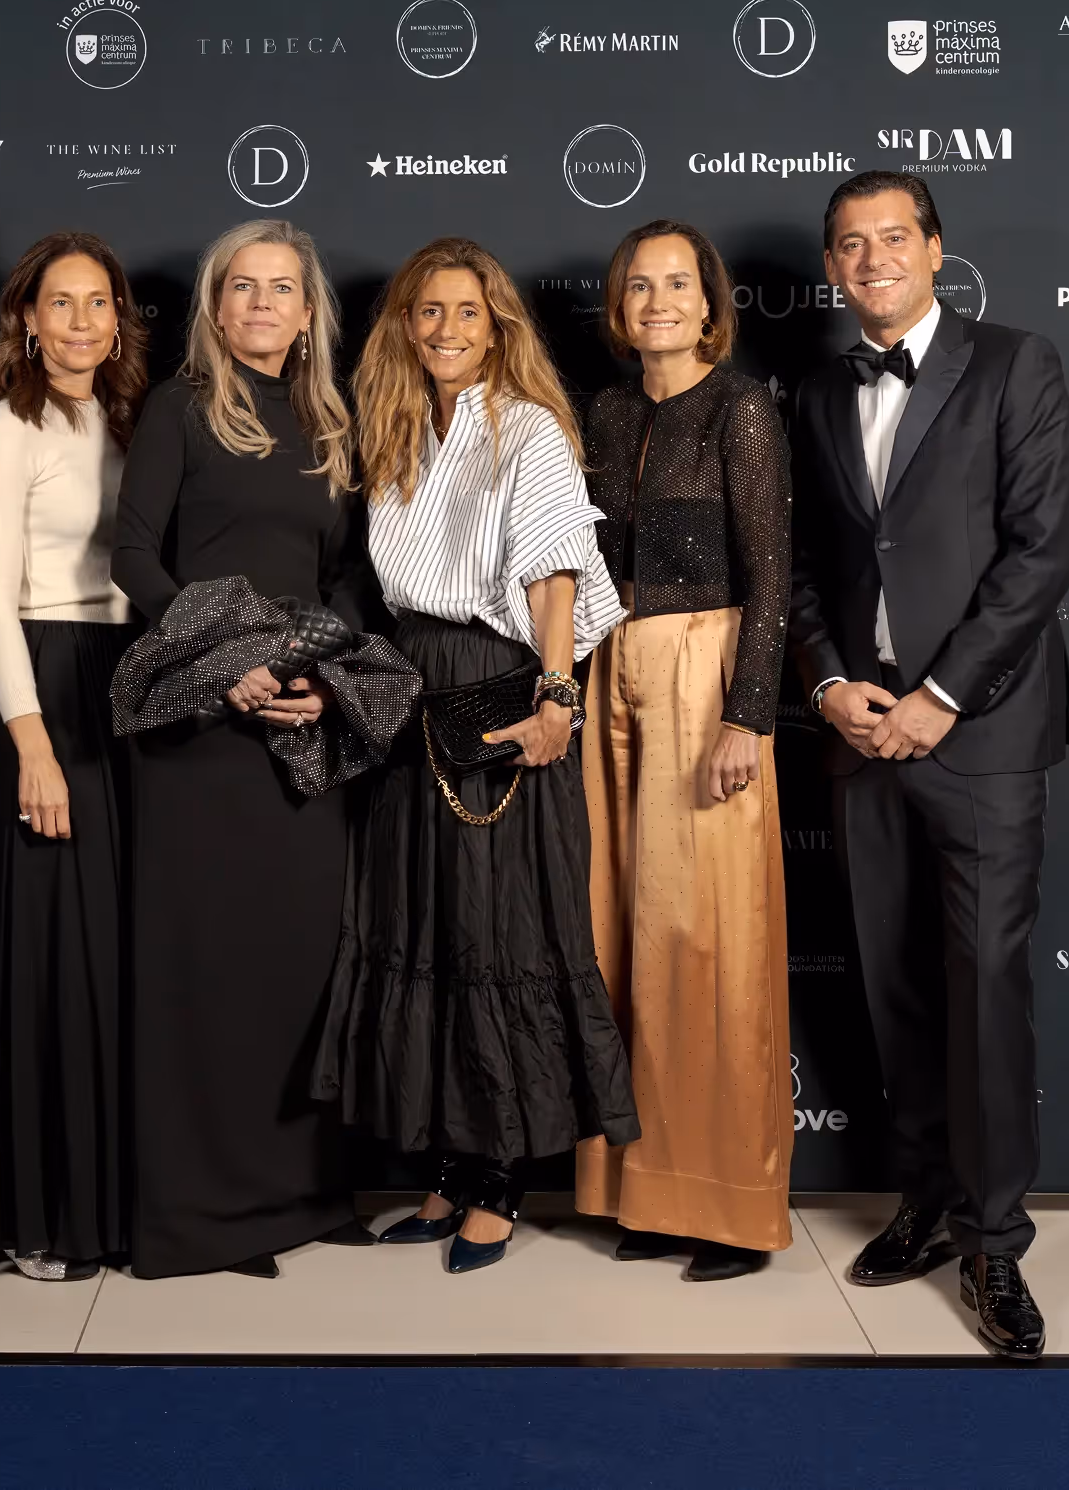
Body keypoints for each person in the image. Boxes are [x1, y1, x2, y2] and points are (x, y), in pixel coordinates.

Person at [789, 171, 1069, 1359]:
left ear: (935, 248)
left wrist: (942, 697)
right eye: (851, 245)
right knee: (896, 984)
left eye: (893, 238)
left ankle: (995, 1242)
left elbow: (1041, 551)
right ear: (831, 267)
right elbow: (806, 567)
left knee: (986, 984)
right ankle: (924, 1195)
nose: (874, 260)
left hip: (982, 734)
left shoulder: (1015, 363)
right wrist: (828, 685)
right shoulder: (817, 393)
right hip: (863, 735)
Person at [314, 236, 638, 1274]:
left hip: (499, 682)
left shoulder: (527, 425)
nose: (447, 329)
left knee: (501, 925)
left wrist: (557, 697)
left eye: (467, 311)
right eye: (429, 311)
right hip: (413, 686)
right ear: (404, 328)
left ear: (497, 326)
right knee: (429, 921)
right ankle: (450, 1167)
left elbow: (553, 567)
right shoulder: (397, 426)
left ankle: (499, 1179)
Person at [111, 219, 371, 1279]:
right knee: (205, 968)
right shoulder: (180, 409)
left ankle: (301, 1194)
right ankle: (202, 1213)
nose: (262, 304)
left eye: (282, 289)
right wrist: (223, 661)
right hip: (201, 730)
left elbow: (348, 574)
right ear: (216, 309)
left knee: (297, 962)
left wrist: (317, 669)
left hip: (301, 723)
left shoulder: (331, 422)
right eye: (242, 287)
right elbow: (133, 553)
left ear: (309, 313)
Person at [573, 220, 794, 1281]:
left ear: (710, 303)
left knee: (709, 942)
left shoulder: (741, 407)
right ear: (619, 307)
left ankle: (731, 1208)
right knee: (625, 929)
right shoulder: (608, 412)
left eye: (677, 284)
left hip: (704, 673)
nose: (658, 301)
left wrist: (747, 717)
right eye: (639, 285)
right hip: (609, 668)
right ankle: (646, 1190)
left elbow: (772, 573)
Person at [0, 233, 148, 1281]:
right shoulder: (5, 427)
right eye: (60, 303)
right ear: (27, 319)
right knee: (46, 957)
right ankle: (35, 1210)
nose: (80, 322)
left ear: (118, 319)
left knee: (110, 958)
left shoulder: (133, 422)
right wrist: (32, 743)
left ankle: (112, 1202)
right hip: (44, 690)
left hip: (131, 690)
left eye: (97, 302)